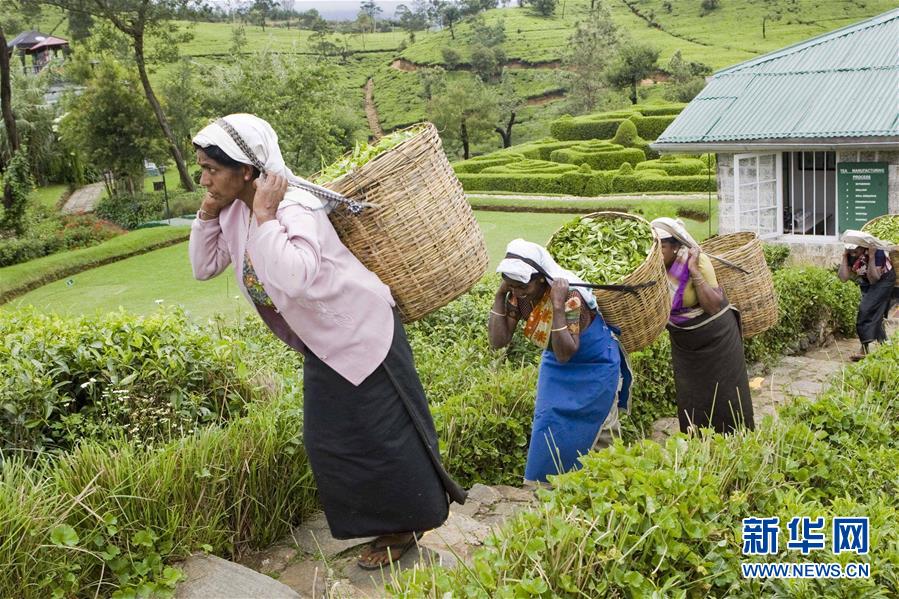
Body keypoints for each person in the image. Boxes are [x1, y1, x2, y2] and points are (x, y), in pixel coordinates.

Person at [188, 114, 466, 570]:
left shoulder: (294, 205)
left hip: (363, 329)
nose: (204, 178)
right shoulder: (236, 210)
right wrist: (207, 213)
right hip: (324, 340)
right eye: (202, 168)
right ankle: (391, 521)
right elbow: (204, 266)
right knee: (333, 439)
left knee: (385, 433)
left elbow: (293, 276)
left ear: (246, 169)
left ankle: (405, 525)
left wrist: (264, 216)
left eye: (211, 169)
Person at [488, 239, 632, 485]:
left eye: (522, 286)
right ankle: (548, 489)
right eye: (511, 285)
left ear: (542, 278)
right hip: (556, 364)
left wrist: (557, 304)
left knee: (601, 430)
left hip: (593, 364)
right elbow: (498, 341)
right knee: (548, 423)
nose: (518, 292)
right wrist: (500, 294)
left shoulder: (571, 296)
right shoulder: (517, 294)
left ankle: (606, 484)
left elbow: (567, 352)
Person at [650, 218, 754, 435]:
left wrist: (694, 272)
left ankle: (735, 447)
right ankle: (698, 448)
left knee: (726, 397)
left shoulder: (698, 261)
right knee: (693, 399)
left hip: (716, 340)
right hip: (686, 344)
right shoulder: (654, 267)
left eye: (663, 246)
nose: (657, 251)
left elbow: (713, 306)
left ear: (677, 246)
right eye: (654, 245)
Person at [837, 236, 896, 360]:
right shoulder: (850, 255)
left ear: (863, 247)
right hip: (867, 282)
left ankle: (864, 348)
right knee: (875, 313)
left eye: (856, 250)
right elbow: (843, 278)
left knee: (865, 310)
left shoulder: (877, 252)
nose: (853, 253)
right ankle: (885, 345)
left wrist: (872, 257)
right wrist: (844, 257)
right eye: (850, 250)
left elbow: (874, 278)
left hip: (884, 280)